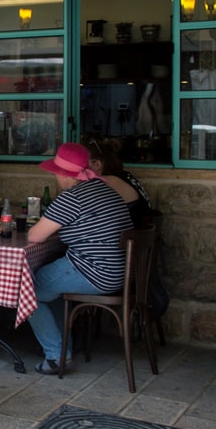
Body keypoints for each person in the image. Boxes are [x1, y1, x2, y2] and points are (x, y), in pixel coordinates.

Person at [27, 142, 132, 375]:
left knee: (25, 288)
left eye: (56, 171)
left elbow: (35, 235)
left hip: (94, 271)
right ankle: (60, 346)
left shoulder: (72, 198)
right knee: (47, 288)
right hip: (119, 271)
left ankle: (56, 355)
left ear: (64, 174)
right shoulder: (106, 190)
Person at [85, 138, 153, 228]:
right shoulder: (124, 175)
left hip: (131, 237)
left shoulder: (108, 181)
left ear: (97, 164)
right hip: (141, 235)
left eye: (82, 164)